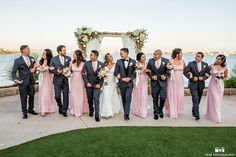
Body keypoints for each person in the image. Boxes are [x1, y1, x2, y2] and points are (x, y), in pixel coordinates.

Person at [12, 45, 38, 119]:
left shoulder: (32, 58)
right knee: (23, 97)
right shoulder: (17, 61)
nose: (29, 50)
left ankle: (31, 109)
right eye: (28, 49)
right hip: (22, 82)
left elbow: (34, 68)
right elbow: (13, 72)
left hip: (31, 81)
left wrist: (35, 68)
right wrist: (15, 79)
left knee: (32, 95)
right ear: (23, 50)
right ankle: (24, 112)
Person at [184, 52, 210, 121]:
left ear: (202, 58)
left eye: (198, 56)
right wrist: (192, 78)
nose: (197, 58)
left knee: (198, 100)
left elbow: (208, 74)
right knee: (195, 99)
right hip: (193, 84)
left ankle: (194, 110)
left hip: (201, 85)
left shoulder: (205, 64)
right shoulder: (190, 63)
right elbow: (185, 72)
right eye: (196, 56)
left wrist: (203, 78)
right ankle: (197, 115)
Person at [114, 48, 136, 120]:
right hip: (122, 83)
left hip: (129, 83)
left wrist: (130, 78)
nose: (120, 54)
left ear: (126, 53)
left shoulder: (133, 61)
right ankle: (125, 112)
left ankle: (126, 114)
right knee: (123, 98)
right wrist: (121, 79)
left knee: (128, 97)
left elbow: (135, 73)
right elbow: (115, 73)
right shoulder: (118, 61)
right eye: (120, 53)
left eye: (121, 53)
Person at [147, 49, 169, 120]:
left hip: (163, 83)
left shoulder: (166, 61)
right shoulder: (150, 61)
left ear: (160, 55)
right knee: (155, 98)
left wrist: (165, 76)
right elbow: (148, 71)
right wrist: (151, 76)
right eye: (154, 54)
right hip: (154, 83)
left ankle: (160, 110)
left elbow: (169, 71)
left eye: (156, 54)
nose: (154, 56)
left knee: (163, 97)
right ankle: (156, 113)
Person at [82, 50, 104, 122]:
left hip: (97, 85)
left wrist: (100, 84)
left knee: (96, 99)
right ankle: (91, 110)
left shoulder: (101, 64)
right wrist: (86, 82)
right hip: (89, 85)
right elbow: (83, 73)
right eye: (90, 55)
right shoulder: (86, 63)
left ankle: (97, 115)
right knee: (90, 99)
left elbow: (103, 76)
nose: (90, 56)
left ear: (96, 56)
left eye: (91, 55)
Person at [49, 45, 71, 117]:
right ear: (59, 51)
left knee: (66, 96)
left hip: (65, 80)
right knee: (57, 96)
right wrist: (57, 71)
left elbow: (71, 68)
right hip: (57, 80)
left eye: (65, 50)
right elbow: (51, 69)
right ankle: (60, 106)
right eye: (64, 50)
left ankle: (64, 110)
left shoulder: (69, 58)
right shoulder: (53, 59)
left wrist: (68, 71)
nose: (65, 51)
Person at [206, 54, 228, 123]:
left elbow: (226, 77)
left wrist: (221, 78)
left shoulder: (225, 68)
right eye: (217, 58)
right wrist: (207, 75)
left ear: (222, 61)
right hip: (212, 85)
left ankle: (212, 114)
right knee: (214, 100)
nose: (217, 60)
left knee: (218, 101)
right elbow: (206, 71)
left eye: (219, 59)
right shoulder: (212, 66)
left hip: (220, 86)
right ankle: (218, 118)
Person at [99, 53, 121, 118]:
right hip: (106, 83)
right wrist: (102, 75)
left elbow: (117, 73)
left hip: (113, 83)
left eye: (111, 56)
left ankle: (113, 109)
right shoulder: (104, 65)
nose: (110, 58)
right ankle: (107, 112)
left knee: (112, 96)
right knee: (106, 96)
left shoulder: (115, 64)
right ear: (106, 58)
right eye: (108, 57)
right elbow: (101, 72)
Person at [165, 48, 185, 118]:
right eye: (181, 53)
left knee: (179, 96)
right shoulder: (170, 61)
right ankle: (172, 112)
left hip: (180, 81)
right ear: (177, 54)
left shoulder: (182, 61)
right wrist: (169, 69)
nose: (182, 55)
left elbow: (185, 71)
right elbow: (167, 71)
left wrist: (190, 74)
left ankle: (177, 109)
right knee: (172, 95)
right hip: (172, 81)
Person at [69, 50, 89, 117]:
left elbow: (87, 72)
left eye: (75, 54)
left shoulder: (84, 63)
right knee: (74, 95)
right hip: (73, 80)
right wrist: (67, 72)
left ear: (79, 55)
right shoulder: (71, 62)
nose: (74, 56)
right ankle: (74, 110)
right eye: (73, 54)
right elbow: (69, 71)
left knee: (80, 95)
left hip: (81, 81)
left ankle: (80, 110)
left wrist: (85, 74)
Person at [131, 52, 150, 118]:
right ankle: (137, 110)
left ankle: (143, 110)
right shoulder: (136, 64)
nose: (144, 58)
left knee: (143, 96)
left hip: (144, 81)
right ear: (139, 58)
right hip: (137, 81)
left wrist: (148, 71)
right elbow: (133, 73)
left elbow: (149, 71)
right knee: (137, 95)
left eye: (144, 57)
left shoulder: (147, 64)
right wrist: (138, 70)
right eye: (142, 57)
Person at [37, 49, 55, 116]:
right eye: (43, 53)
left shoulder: (51, 61)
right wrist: (39, 69)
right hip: (42, 79)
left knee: (47, 93)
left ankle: (48, 108)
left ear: (48, 54)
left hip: (48, 79)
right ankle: (43, 109)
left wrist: (47, 68)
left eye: (45, 53)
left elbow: (52, 69)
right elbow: (38, 68)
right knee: (42, 94)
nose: (43, 54)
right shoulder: (40, 61)